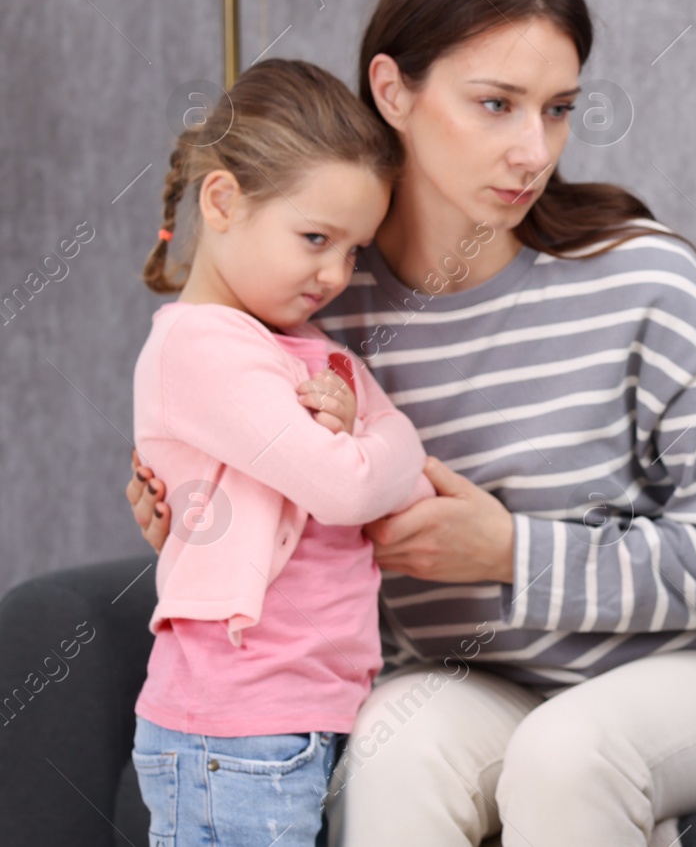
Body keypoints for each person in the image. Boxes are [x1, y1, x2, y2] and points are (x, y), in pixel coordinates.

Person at [127, 0, 696, 847]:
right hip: (474, 679)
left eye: (559, 108)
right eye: (495, 104)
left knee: (567, 753)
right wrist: (209, 515)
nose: (533, 149)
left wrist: (511, 551)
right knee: (394, 753)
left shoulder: (642, 279)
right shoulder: (322, 298)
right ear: (393, 90)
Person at [129, 58, 437, 846]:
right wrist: (370, 437)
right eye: (314, 239)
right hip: (234, 727)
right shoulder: (200, 348)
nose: (335, 274)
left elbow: (409, 485)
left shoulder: (304, 351)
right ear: (224, 200)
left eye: (353, 251)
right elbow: (349, 485)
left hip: (303, 712)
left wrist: (372, 445)